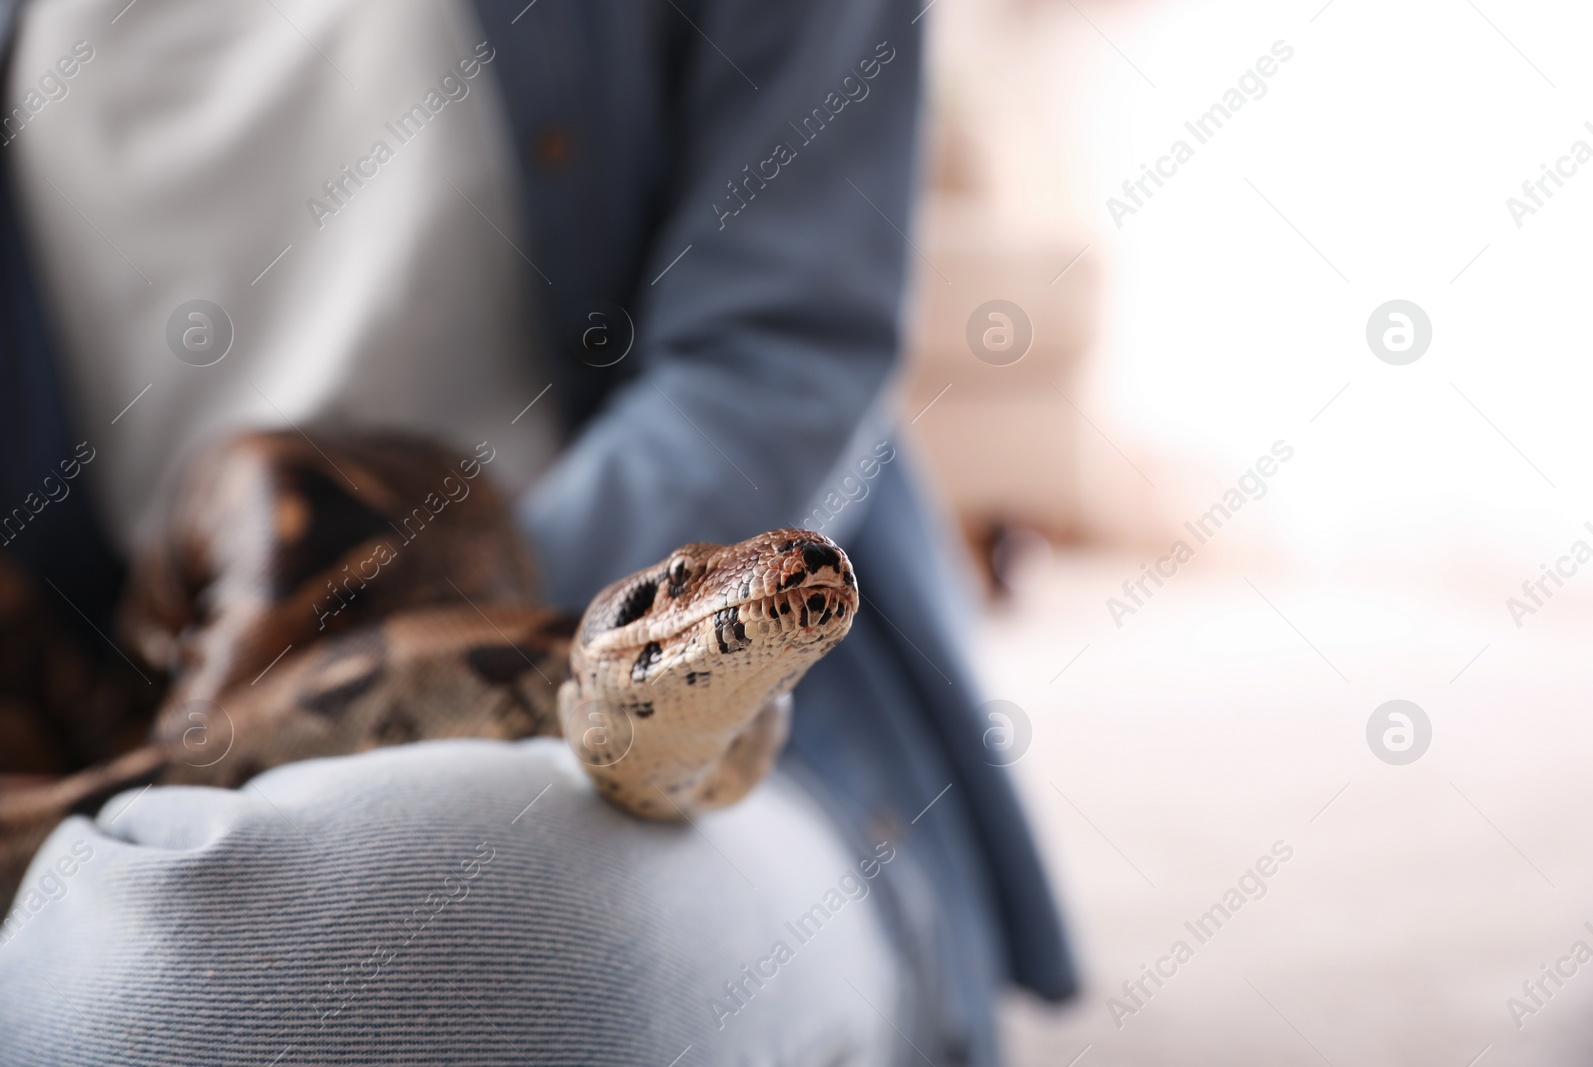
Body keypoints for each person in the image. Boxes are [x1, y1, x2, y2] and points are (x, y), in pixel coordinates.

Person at [0, 0, 1076, 1062]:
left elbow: (780, 351)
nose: (756, 578)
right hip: (134, 710)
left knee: (340, 966)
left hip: (658, 692)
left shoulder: (653, 647)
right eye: (689, 583)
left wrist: (472, 597)